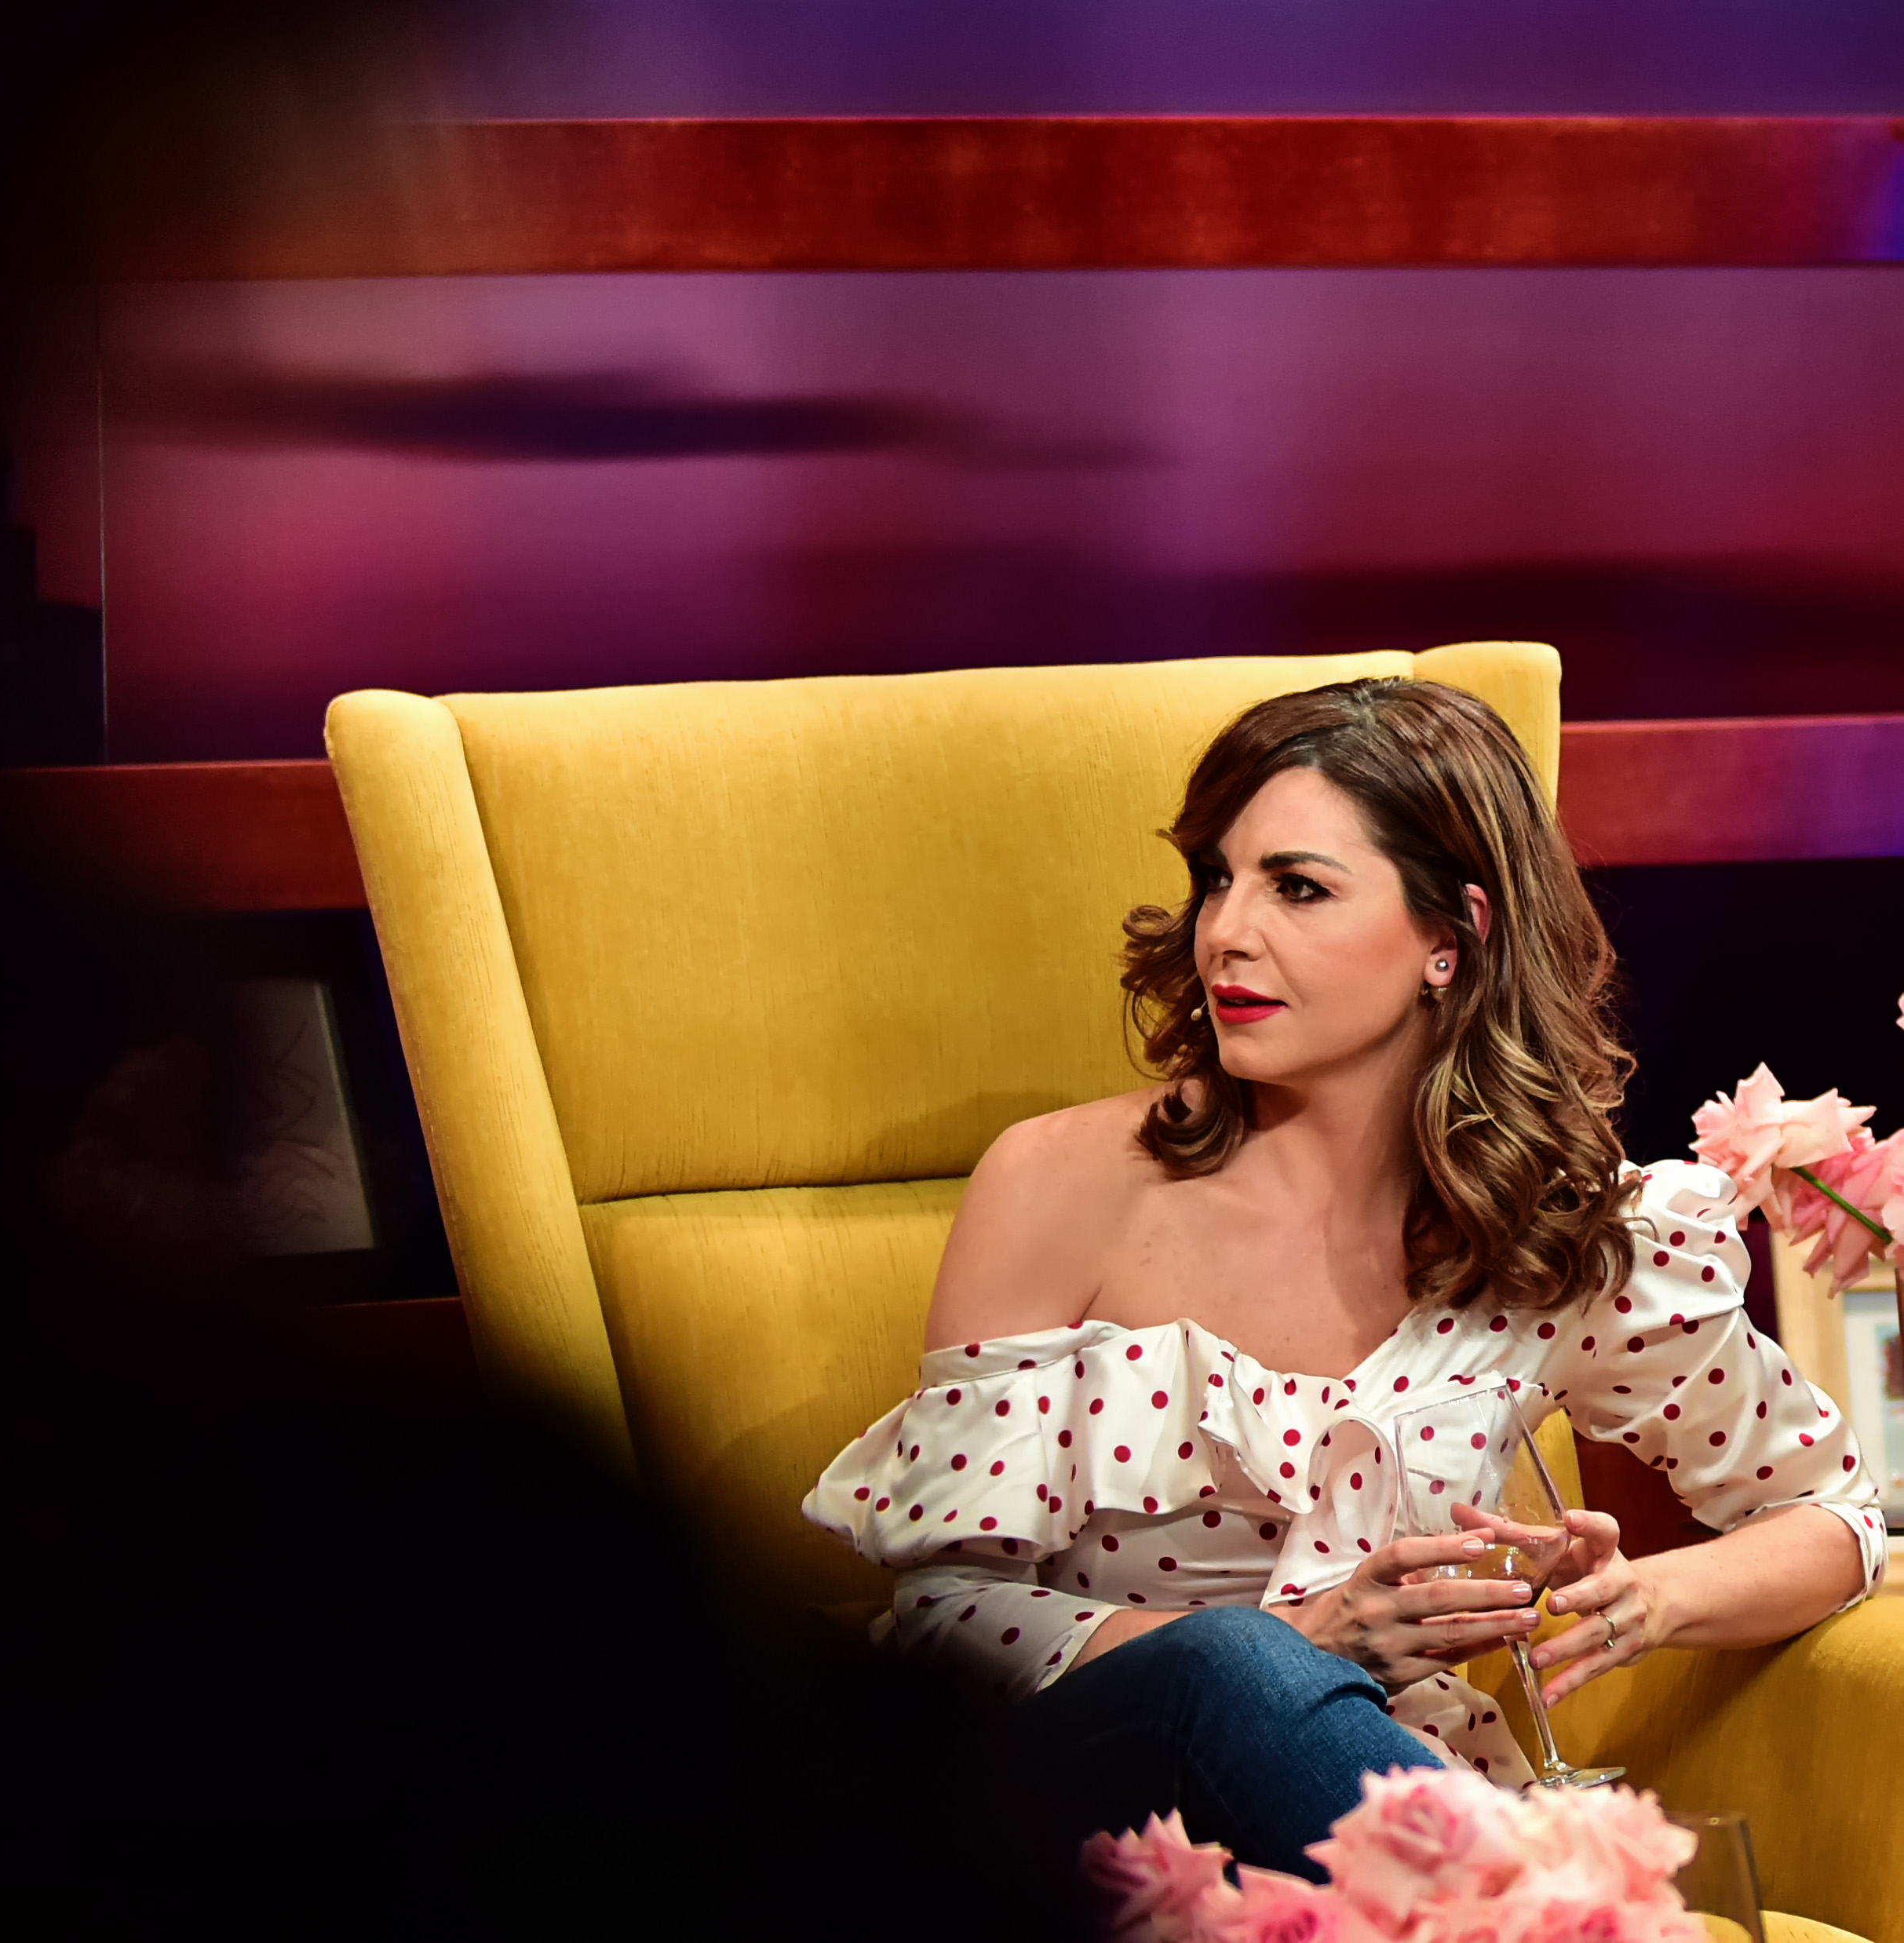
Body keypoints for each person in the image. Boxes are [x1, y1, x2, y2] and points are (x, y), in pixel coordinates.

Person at [805, 676, 1883, 1875]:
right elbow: (943, 1618)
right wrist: (1300, 1634)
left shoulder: (1565, 1236)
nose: (1225, 931)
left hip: (1369, 1808)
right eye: (1216, 878)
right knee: (1231, 1662)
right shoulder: (1058, 1182)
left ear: (1449, 936)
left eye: (1297, 887)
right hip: (1070, 1815)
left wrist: (1643, 1600)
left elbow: (1831, 1512)